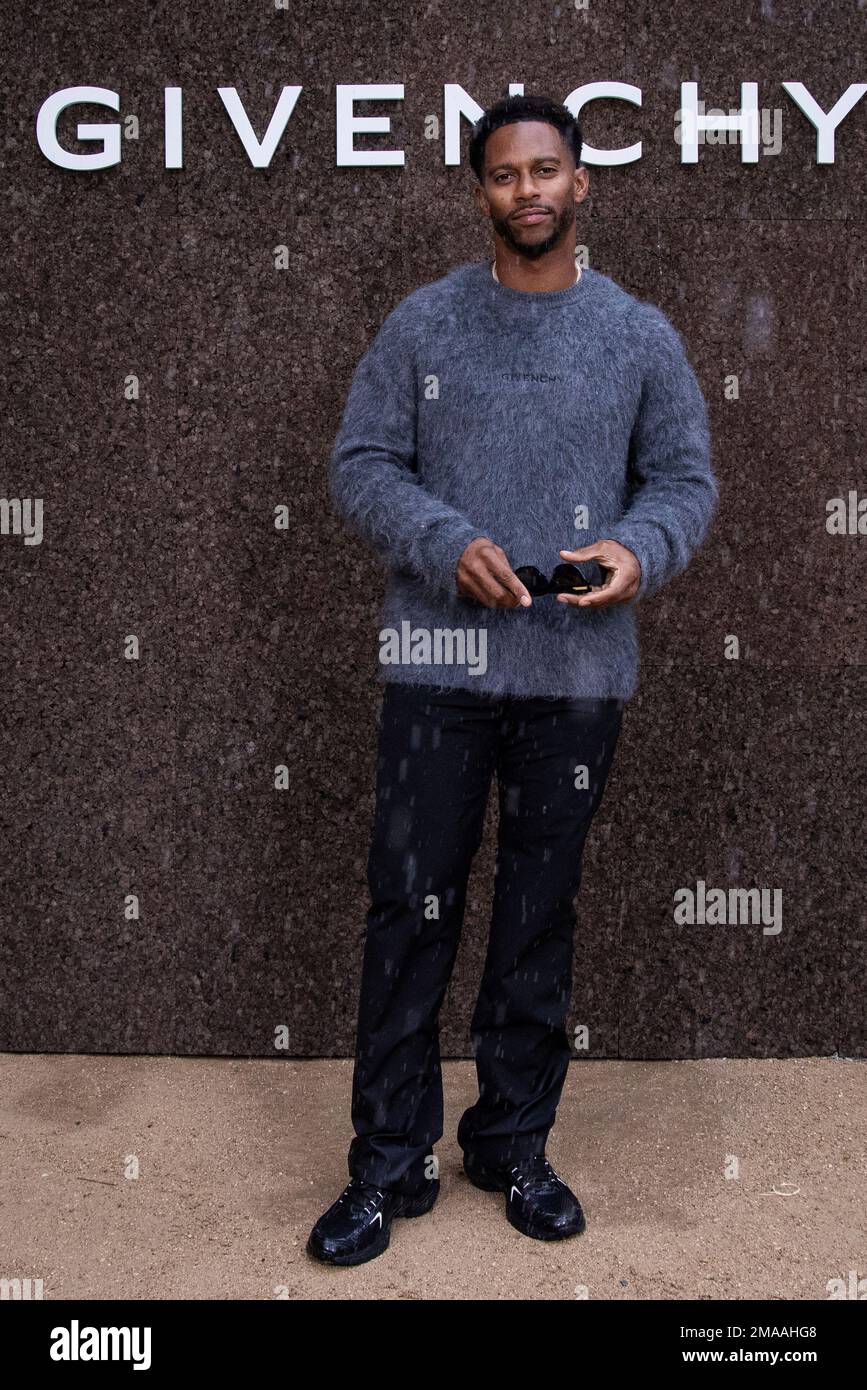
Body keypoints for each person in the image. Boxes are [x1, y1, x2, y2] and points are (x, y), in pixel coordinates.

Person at [307, 93, 718, 1266]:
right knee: (408, 917)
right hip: (438, 667)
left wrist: (640, 549)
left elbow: (685, 480)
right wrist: (445, 542)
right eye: (503, 175)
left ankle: (513, 1141)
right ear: (478, 191)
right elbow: (363, 463)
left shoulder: (639, 335)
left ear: (581, 183)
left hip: (577, 671)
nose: (527, 191)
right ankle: (388, 1165)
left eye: (546, 171)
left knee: (538, 918)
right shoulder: (423, 325)